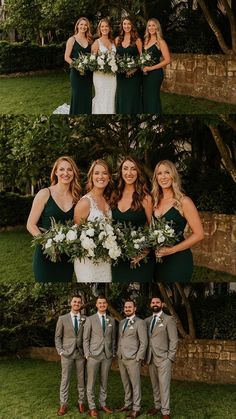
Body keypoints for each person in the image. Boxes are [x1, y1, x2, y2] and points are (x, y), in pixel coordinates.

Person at [27, 156, 81, 282]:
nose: (65, 173)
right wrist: (47, 244)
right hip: (45, 255)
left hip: (66, 256)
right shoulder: (44, 194)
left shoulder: (77, 198)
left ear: (74, 173)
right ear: (55, 172)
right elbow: (30, 224)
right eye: (61, 169)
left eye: (69, 170)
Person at [151, 160, 204, 283]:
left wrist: (172, 250)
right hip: (157, 261)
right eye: (159, 173)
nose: (163, 177)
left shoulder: (184, 201)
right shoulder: (153, 201)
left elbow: (199, 234)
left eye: (167, 172)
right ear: (156, 177)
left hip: (178, 260)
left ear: (173, 175)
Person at [111, 156, 155, 283]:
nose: (129, 173)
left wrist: (146, 249)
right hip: (118, 259)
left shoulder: (146, 198)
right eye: (125, 169)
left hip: (140, 258)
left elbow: (152, 227)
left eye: (133, 169)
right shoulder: (115, 195)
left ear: (138, 172)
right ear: (121, 172)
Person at [74, 159, 113, 282]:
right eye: (96, 173)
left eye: (104, 173)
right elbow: (76, 235)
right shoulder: (85, 202)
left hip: (106, 260)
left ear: (109, 177)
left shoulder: (109, 199)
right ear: (91, 177)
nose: (100, 177)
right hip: (88, 262)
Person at [145, 295, 178, 419]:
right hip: (151, 358)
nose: (155, 304)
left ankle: (165, 412)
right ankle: (157, 406)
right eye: (153, 302)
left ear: (162, 304)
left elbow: (174, 340)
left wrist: (170, 357)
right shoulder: (147, 321)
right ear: (150, 305)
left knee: (164, 386)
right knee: (155, 385)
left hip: (164, 358)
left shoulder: (169, 320)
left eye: (157, 302)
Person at [83, 296, 116, 417]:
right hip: (93, 355)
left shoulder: (111, 320)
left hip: (107, 355)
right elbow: (85, 339)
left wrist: (112, 353)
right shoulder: (90, 319)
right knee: (91, 382)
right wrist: (87, 354)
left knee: (104, 380)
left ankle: (103, 403)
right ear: (96, 305)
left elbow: (113, 338)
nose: (102, 305)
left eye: (104, 303)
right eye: (100, 303)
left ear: (107, 305)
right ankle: (92, 407)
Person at [55, 294, 87, 416]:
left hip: (80, 354)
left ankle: (81, 402)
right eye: (75, 302)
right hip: (66, 354)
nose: (77, 304)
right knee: (65, 379)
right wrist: (61, 351)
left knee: (81, 379)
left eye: (79, 302)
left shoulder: (85, 318)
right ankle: (63, 404)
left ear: (81, 304)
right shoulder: (62, 319)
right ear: (71, 303)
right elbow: (57, 337)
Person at [116, 299, 148, 418]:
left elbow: (144, 342)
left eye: (130, 307)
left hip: (133, 358)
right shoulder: (122, 322)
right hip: (121, 357)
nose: (127, 309)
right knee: (125, 383)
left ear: (135, 309)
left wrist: (138, 357)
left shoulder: (140, 323)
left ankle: (136, 408)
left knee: (135, 384)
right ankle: (128, 404)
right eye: (126, 307)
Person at [64, 17, 93, 115]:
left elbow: (92, 57)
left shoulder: (90, 41)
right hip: (76, 73)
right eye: (81, 24)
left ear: (87, 27)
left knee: (87, 96)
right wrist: (77, 66)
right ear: (77, 25)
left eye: (85, 25)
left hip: (88, 74)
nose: (83, 27)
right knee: (77, 96)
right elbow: (67, 57)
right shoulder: (72, 40)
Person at [142, 19, 170, 114]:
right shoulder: (146, 41)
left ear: (157, 27)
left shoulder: (160, 42)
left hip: (155, 74)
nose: (151, 28)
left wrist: (151, 68)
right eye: (149, 25)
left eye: (153, 25)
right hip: (145, 74)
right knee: (145, 97)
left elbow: (167, 60)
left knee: (152, 97)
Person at [115, 17, 142, 113]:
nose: (127, 26)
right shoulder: (117, 39)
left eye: (129, 24)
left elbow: (142, 58)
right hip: (120, 75)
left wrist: (134, 69)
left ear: (132, 26)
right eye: (124, 24)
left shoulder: (137, 40)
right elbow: (114, 57)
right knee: (122, 96)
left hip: (134, 75)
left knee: (132, 96)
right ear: (122, 26)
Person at [92, 18, 117, 114]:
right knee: (101, 96)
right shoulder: (96, 42)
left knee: (111, 97)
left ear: (110, 28)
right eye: (102, 26)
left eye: (106, 26)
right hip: (100, 75)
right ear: (99, 29)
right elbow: (92, 61)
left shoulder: (113, 41)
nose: (104, 28)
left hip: (112, 76)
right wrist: (102, 65)